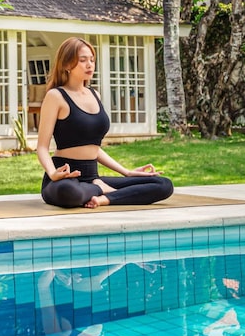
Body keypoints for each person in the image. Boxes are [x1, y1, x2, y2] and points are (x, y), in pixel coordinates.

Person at [37, 37, 174, 208]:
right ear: (66, 65)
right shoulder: (56, 96)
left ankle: (104, 197)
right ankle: (99, 189)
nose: (90, 65)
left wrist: (126, 172)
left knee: (163, 185)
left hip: (92, 176)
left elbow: (93, 148)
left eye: (92, 60)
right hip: (64, 178)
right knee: (70, 193)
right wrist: (53, 173)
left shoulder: (95, 95)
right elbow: (42, 147)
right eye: (83, 60)